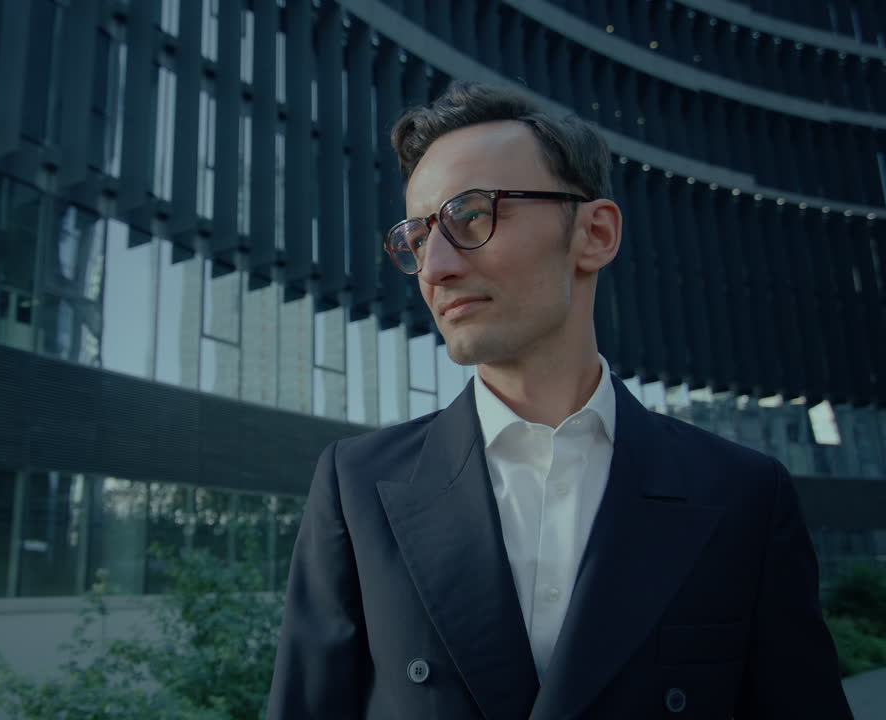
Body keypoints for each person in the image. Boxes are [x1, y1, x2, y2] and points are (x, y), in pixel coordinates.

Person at [266, 81, 852, 719]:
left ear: (594, 233)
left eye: (470, 216)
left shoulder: (742, 495)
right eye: (416, 237)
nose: (433, 267)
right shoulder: (357, 487)